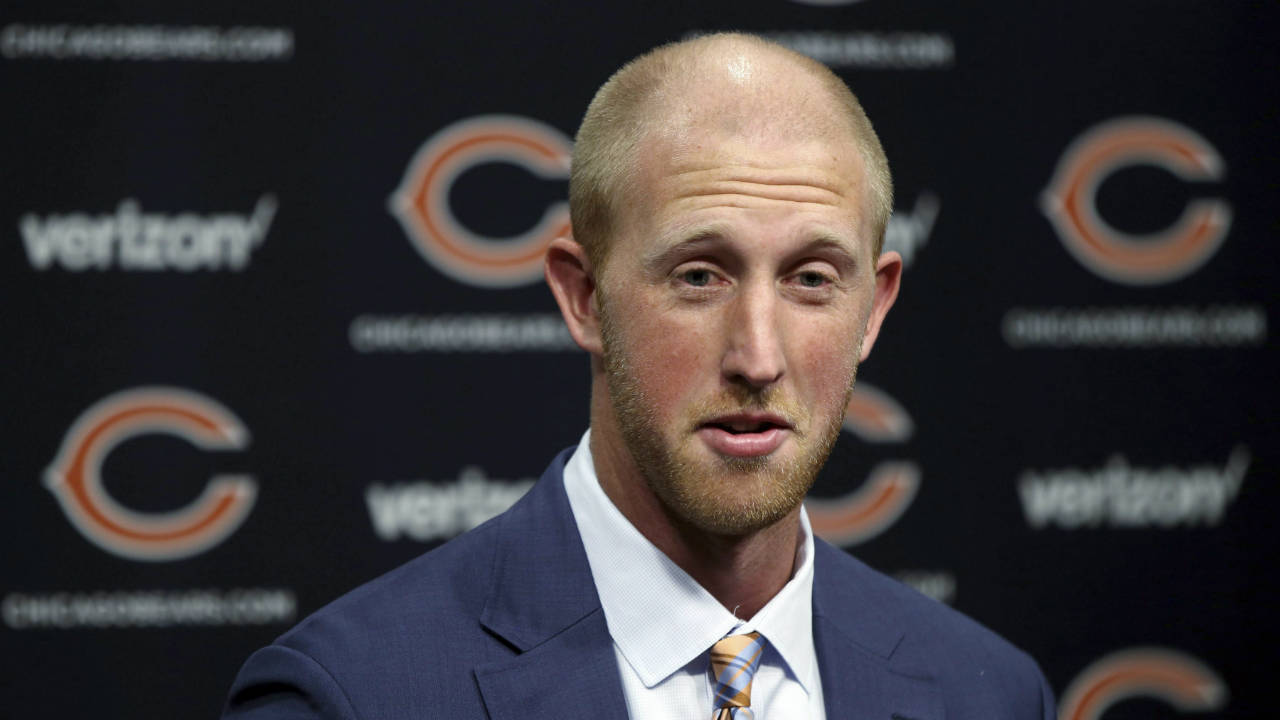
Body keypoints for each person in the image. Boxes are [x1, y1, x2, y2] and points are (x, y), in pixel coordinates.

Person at [224, 32, 1054, 720]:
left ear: (873, 309)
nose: (758, 358)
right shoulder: (350, 698)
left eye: (811, 280)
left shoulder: (991, 695)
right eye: (700, 276)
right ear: (584, 297)